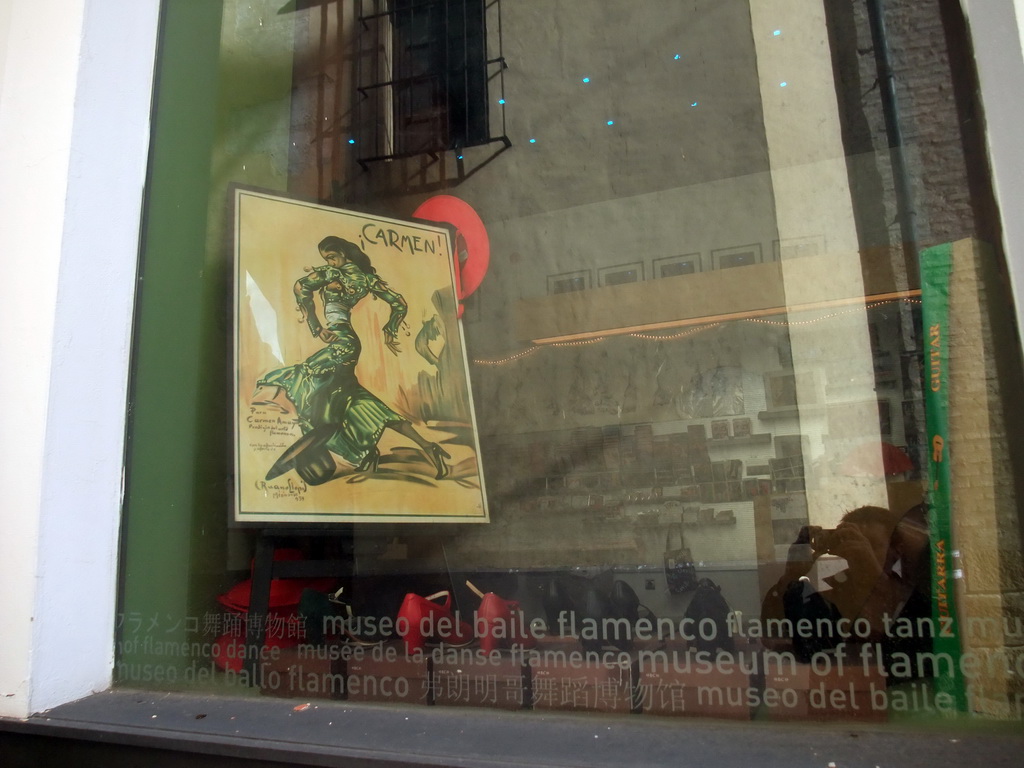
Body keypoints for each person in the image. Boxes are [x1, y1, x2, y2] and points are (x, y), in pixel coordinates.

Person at [256, 236, 450, 484]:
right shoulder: (368, 279)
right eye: (327, 259)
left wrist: (317, 327)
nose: (329, 262)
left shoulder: (331, 274)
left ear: (343, 254)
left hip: (342, 343)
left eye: (331, 257)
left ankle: (364, 450)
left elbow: (300, 287)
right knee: (358, 401)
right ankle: (424, 447)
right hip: (347, 343)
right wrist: (390, 330)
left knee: (306, 378)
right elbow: (399, 304)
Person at [761, 504, 932, 668]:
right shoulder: (824, 596)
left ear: (896, 550)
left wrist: (873, 576)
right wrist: (791, 574)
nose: (860, 549)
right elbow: (771, 635)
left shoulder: (913, 594)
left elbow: (902, 638)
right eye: (853, 541)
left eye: (873, 544)